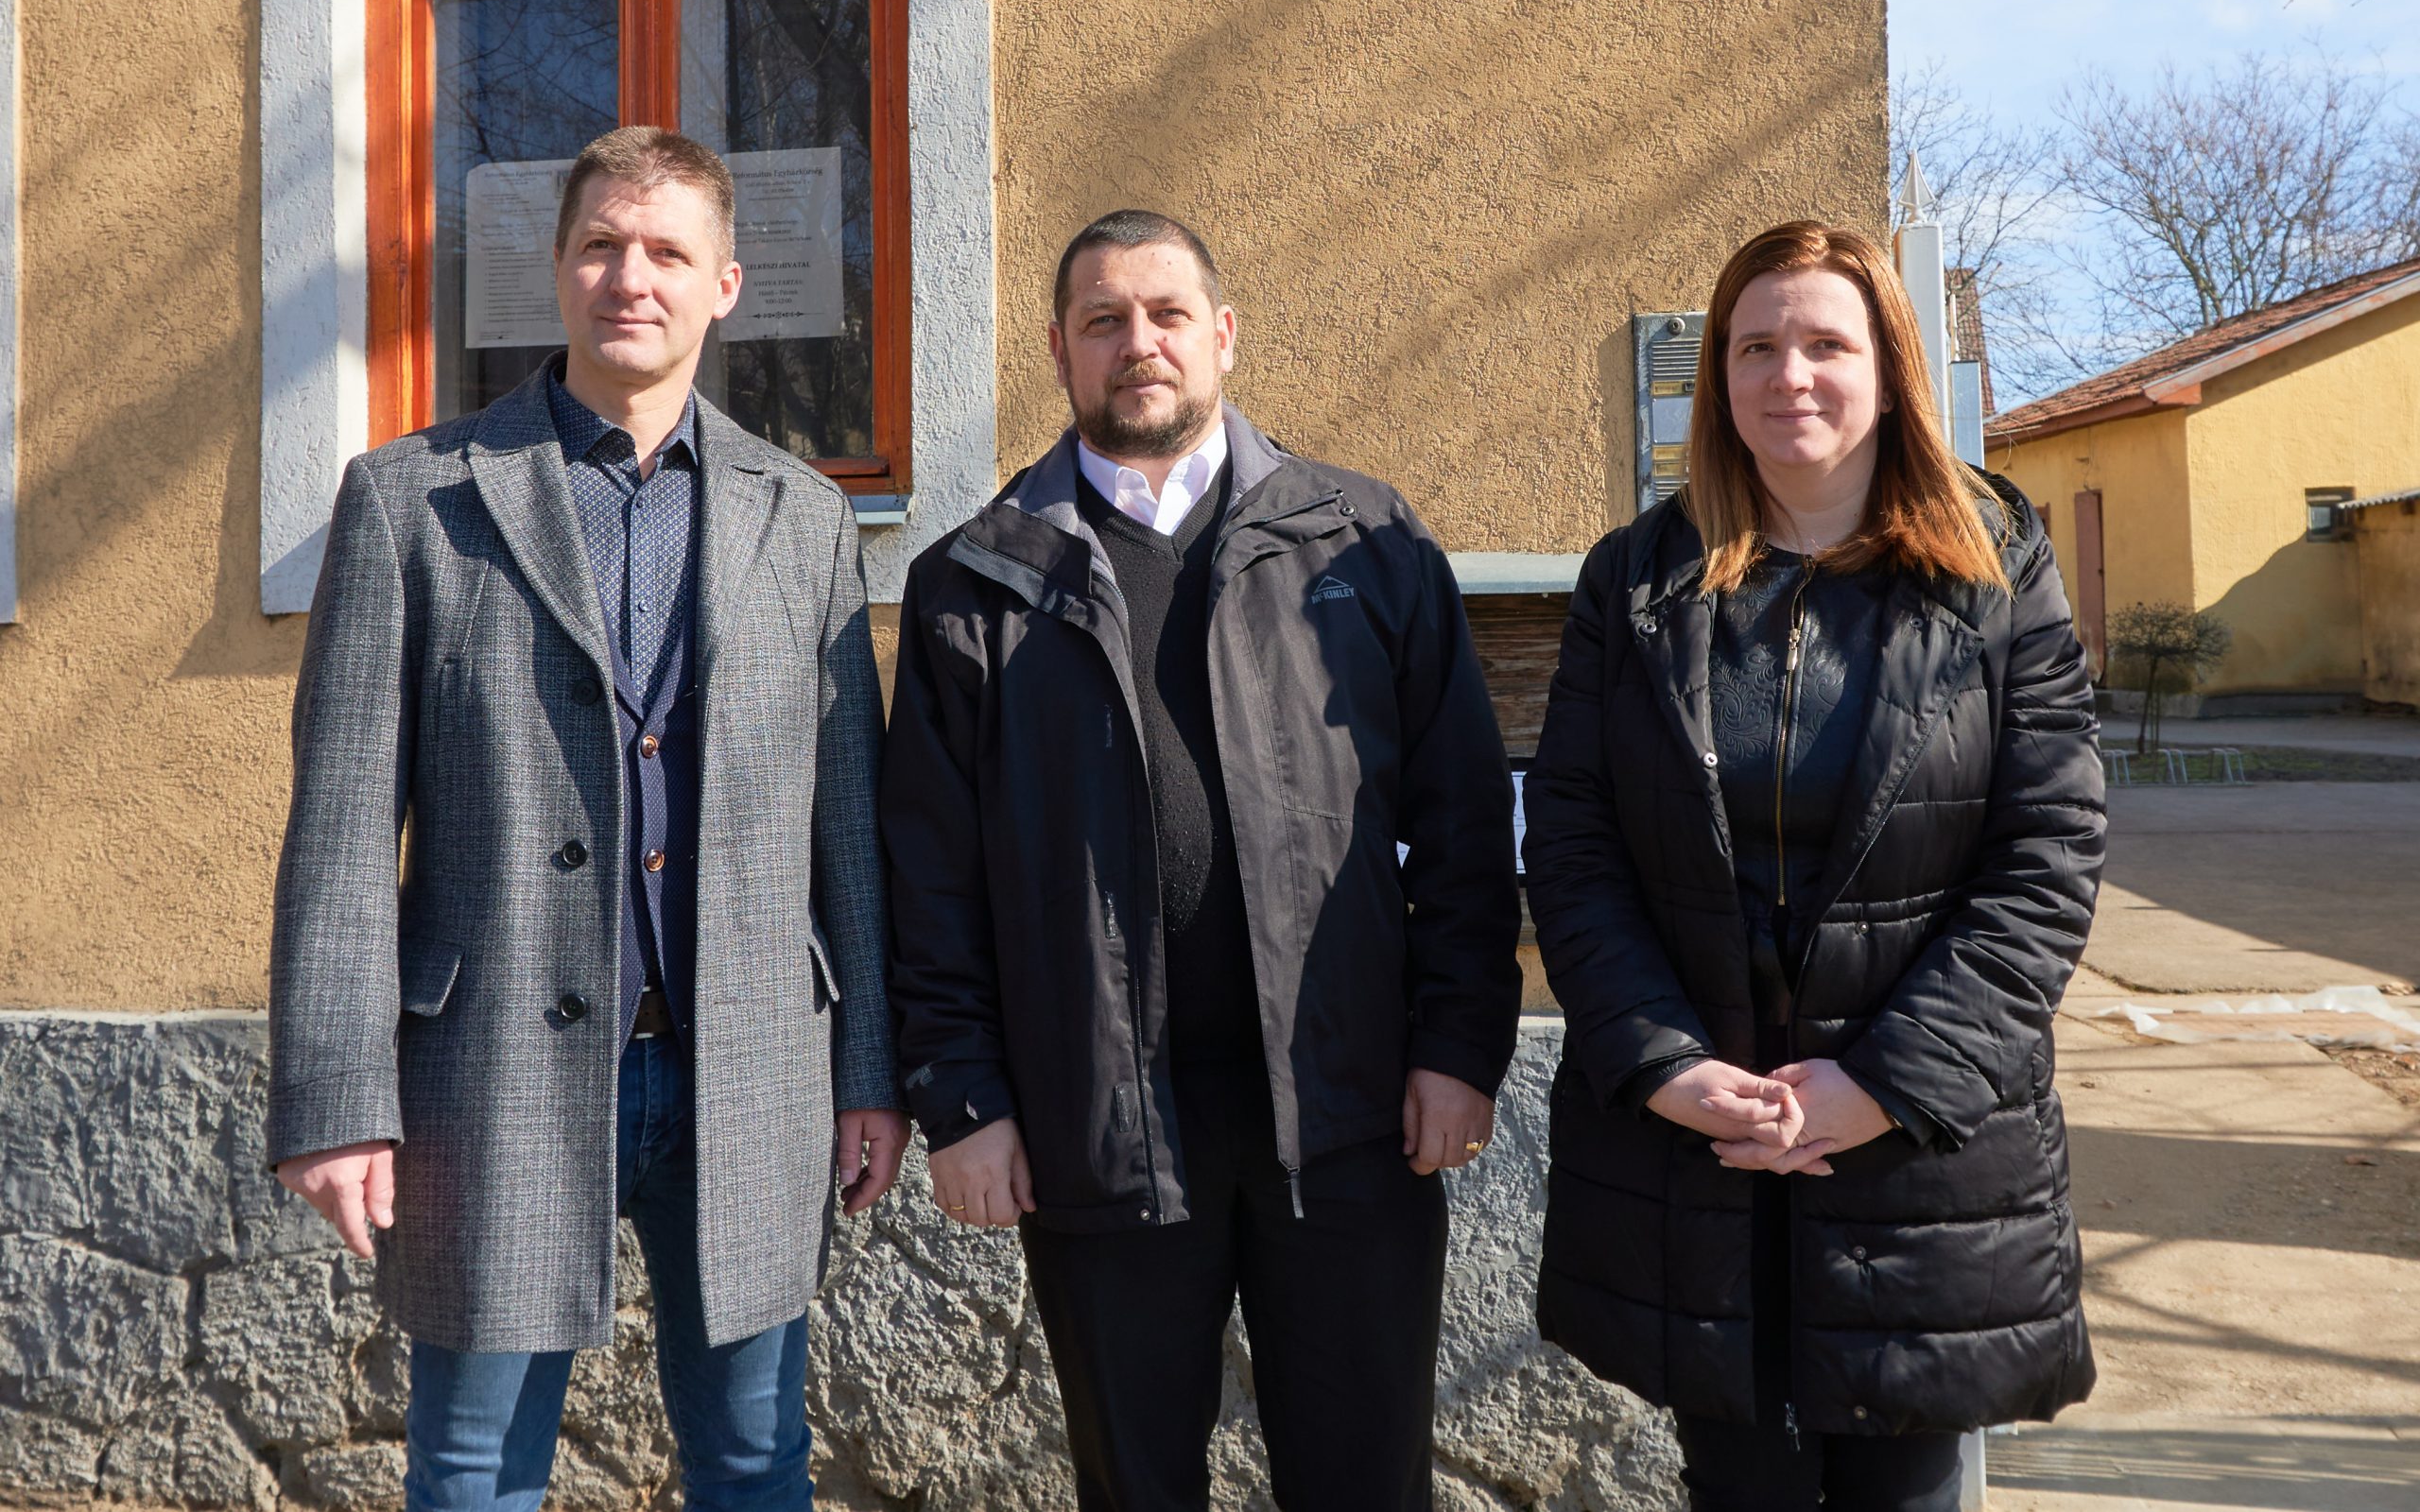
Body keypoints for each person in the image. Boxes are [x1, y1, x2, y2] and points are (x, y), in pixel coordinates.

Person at [267, 126, 905, 1512]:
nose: (633, 277)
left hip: (748, 1070)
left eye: (668, 250)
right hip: (487, 1071)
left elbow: (847, 827)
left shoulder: (803, 517)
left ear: (724, 285)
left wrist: (870, 1068)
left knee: (755, 1465)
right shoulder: (413, 500)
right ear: (557, 268)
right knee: (474, 1474)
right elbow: (339, 833)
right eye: (602, 245)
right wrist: (335, 1097)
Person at [881, 208, 1522, 1512]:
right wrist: (964, 1097)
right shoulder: (977, 582)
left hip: (1349, 1121)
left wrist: (1460, 1045)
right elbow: (930, 880)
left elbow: (1465, 817)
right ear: (1060, 349)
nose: (1141, 342)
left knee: (1366, 1488)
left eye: (1168, 314)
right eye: (1104, 319)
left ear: (1223, 333)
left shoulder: (1364, 542)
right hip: (1099, 1129)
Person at [1523, 221, 2105, 1512]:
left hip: (1918, 1161)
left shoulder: (1997, 568)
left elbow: (2048, 855)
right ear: (1718, 378)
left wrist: (1885, 1084)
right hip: (1704, 1157)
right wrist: (1666, 1066)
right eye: (1756, 347)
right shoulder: (1638, 579)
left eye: (1827, 344)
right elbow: (1571, 842)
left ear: (1890, 372)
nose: (1790, 374)